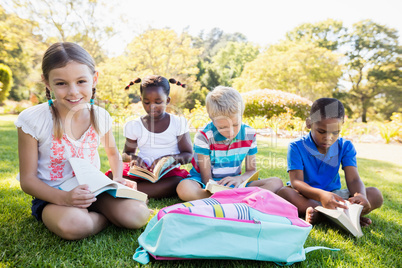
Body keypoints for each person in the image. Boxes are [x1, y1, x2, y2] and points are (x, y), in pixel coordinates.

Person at [15, 42, 150, 240]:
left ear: (94, 78)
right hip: (54, 197)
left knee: (138, 215)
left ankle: (103, 212)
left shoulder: (100, 116)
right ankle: (103, 217)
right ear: (46, 82)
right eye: (61, 83)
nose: (73, 92)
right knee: (75, 224)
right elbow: (28, 181)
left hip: (94, 188)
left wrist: (118, 178)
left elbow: (112, 153)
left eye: (81, 81)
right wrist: (65, 199)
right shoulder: (32, 120)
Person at [277, 98, 383, 225]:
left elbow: (353, 180)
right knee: (284, 193)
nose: (328, 138)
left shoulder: (345, 146)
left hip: (334, 196)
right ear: (309, 123)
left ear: (342, 125)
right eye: (321, 131)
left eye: (335, 132)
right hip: (306, 196)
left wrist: (361, 195)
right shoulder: (296, 146)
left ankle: (324, 215)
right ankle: (341, 217)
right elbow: (297, 182)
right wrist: (321, 195)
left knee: (375, 194)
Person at [176, 86, 283, 201]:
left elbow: (251, 171)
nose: (231, 132)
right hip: (206, 183)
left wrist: (240, 179)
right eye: (223, 127)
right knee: (184, 189)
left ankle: (226, 198)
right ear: (212, 119)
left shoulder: (249, 134)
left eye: (236, 124)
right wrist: (217, 187)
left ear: (241, 114)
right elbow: (206, 178)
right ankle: (240, 198)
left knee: (276, 182)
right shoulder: (204, 137)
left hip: (234, 182)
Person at [106, 75, 193, 198]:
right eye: (147, 102)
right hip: (142, 172)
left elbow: (188, 155)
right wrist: (135, 159)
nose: (152, 107)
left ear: (167, 100)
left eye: (158, 102)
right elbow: (126, 154)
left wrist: (168, 159)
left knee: (178, 181)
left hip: (168, 173)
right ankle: (136, 189)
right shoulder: (135, 125)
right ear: (141, 100)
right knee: (112, 174)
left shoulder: (178, 123)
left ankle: (128, 190)